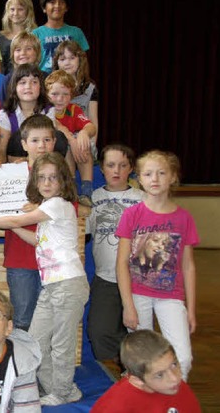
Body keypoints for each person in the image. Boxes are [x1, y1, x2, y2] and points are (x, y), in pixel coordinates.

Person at [0, 152, 89, 406]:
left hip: (68, 283)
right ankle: (61, 386)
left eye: (53, 178)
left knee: (62, 343)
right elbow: (37, 240)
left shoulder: (57, 205)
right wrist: (13, 226)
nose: (46, 183)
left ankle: (63, 391)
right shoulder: (48, 211)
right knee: (35, 341)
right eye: (41, 178)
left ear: (63, 182)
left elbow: (18, 218)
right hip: (52, 285)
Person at [116, 150, 199, 380]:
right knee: (141, 361)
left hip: (171, 295)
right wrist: (127, 304)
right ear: (139, 179)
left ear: (173, 177)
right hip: (138, 294)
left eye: (162, 173)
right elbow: (122, 263)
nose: (155, 179)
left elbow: (188, 266)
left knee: (182, 357)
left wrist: (190, 309)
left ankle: (171, 398)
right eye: (148, 174)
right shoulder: (132, 215)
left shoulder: (184, 218)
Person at [86, 144, 144, 362]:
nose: (116, 171)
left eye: (122, 165)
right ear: (102, 169)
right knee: (99, 331)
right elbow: (85, 232)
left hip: (137, 279)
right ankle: (117, 370)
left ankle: (136, 372)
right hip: (106, 278)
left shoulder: (142, 199)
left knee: (137, 330)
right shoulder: (93, 198)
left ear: (131, 168)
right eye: (110, 165)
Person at [4, 114, 58, 332]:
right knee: (22, 319)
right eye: (35, 140)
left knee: (50, 322)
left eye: (47, 140)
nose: (42, 146)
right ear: (24, 144)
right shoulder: (10, 174)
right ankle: (22, 366)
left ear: (54, 142)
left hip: (53, 261)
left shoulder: (61, 174)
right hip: (20, 257)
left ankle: (44, 366)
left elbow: (69, 208)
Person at [92, 330, 202, 412]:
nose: (174, 378)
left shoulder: (177, 388)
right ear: (137, 380)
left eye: (174, 364)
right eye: (159, 375)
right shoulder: (115, 407)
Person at [45, 69, 97, 207]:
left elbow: (91, 127)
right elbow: (60, 128)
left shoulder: (74, 109)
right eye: (55, 94)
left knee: (83, 145)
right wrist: (72, 140)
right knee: (67, 145)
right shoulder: (45, 111)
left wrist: (84, 133)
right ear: (47, 95)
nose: (60, 99)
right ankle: (71, 187)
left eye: (65, 94)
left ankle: (86, 190)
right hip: (55, 152)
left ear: (71, 95)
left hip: (76, 151)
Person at [0, 63, 66, 163]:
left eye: (34, 82)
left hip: (43, 158)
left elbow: (48, 142)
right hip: (17, 161)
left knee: (58, 137)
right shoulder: (6, 113)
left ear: (41, 87)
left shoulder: (48, 110)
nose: (28, 86)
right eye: (22, 82)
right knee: (19, 136)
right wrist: (0, 168)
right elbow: (2, 147)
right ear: (14, 87)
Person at [33, 0, 89, 74]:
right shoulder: (35, 34)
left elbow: (84, 63)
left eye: (61, 2)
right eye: (52, 2)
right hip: (44, 82)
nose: (57, 5)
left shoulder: (77, 32)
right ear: (44, 8)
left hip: (72, 83)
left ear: (66, 8)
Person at [53, 39, 99, 132]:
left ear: (80, 59)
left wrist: (92, 146)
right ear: (57, 62)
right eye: (62, 59)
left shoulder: (89, 88)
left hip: (82, 139)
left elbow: (93, 121)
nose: (67, 63)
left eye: (72, 58)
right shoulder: (49, 86)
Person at [0, 0, 37, 75]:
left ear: (28, 11)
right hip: (7, 82)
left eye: (20, 9)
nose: (16, 13)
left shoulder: (36, 34)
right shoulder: (0, 38)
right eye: (12, 9)